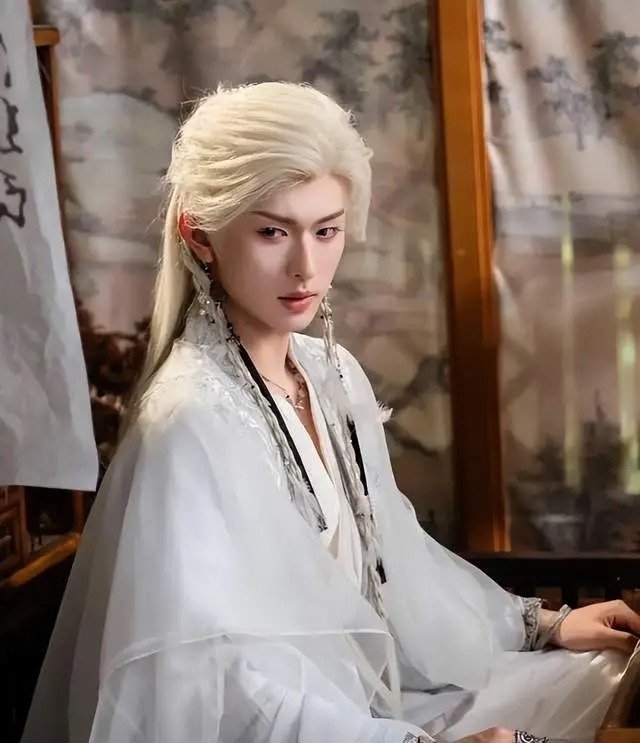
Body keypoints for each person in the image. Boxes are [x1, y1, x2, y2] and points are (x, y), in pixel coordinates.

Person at [21, 82, 640, 743]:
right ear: (198, 235)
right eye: (271, 232)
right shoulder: (189, 419)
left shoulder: (330, 372)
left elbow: (398, 561)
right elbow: (219, 685)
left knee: (611, 672)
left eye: (326, 231)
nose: (306, 267)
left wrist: (542, 624)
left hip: (382, 707)